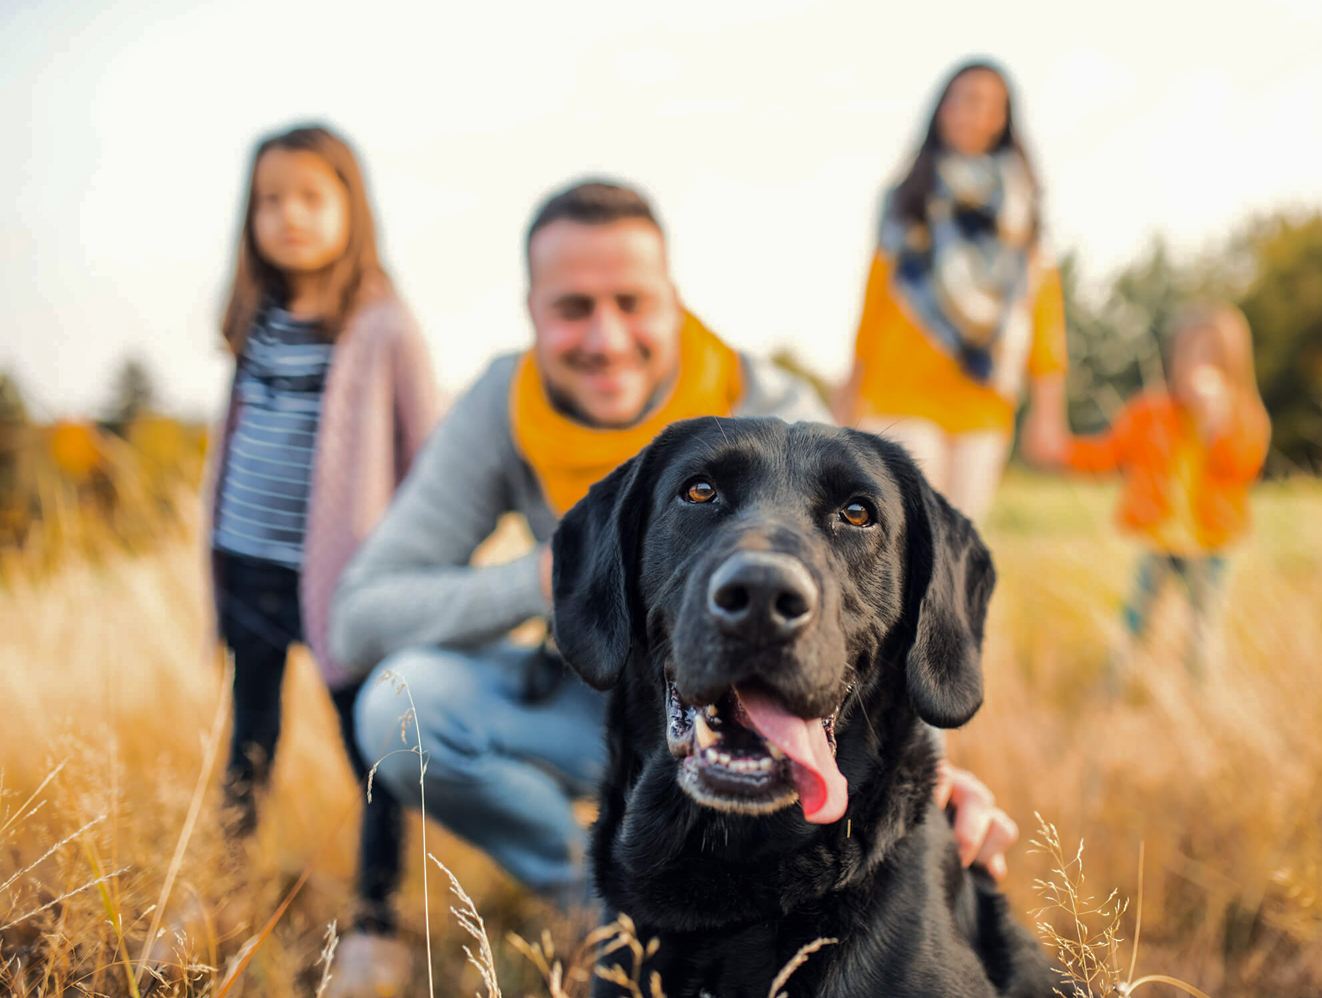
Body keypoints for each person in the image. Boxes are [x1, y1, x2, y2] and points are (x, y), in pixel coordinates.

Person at [330, 180, 1023, 991]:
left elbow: (871, 601)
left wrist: (924, 771)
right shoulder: (501, 407)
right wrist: (546, 579)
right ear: (530, 310)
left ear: (674, 302)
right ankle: (613, 901)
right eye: (573, 307)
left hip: (783, 697)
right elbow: (357, 619)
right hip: (606, 686)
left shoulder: (771, 406)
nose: (607, 336)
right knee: (398, 701)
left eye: (632, 301)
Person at [198, 125, 440, 975]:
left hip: (344, 586)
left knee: (371, 746)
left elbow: (432, 457)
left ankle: (376, 924)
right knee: (248, 742)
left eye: (310, 197)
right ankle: (222, 895)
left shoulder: (381, 324)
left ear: (350, 207)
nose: (289, 216)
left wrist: (412, 573)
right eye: (270, 200)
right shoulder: (255, 320)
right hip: (249, 569)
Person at [838, 59, 1070, 521]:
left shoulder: (1023, 210)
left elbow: (1042, 312)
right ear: (941, 110)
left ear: (1003, 120)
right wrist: (849, 391)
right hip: (899, 393)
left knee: (959, 541)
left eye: (989, 104)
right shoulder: (907, 197)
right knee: (903, 528)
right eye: (964, 99)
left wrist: (1049, 412)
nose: (974, 112)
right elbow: (875, 301)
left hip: (982, 400)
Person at [1055, 302, 1270, 683]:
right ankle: (1114, 684)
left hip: (1212, 544)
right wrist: (1061, 451)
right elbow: (1109, 453)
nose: (1197, 364)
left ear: (1232, 362)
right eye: (1189, 352)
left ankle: (1201, 691)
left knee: (1203, 627)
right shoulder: (1150, 412)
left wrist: (1215, 423)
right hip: (1160, 540)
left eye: (1210, 354)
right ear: (1174, 358)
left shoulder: (1242, 415)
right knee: (1136, 618)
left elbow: (1243, 467)